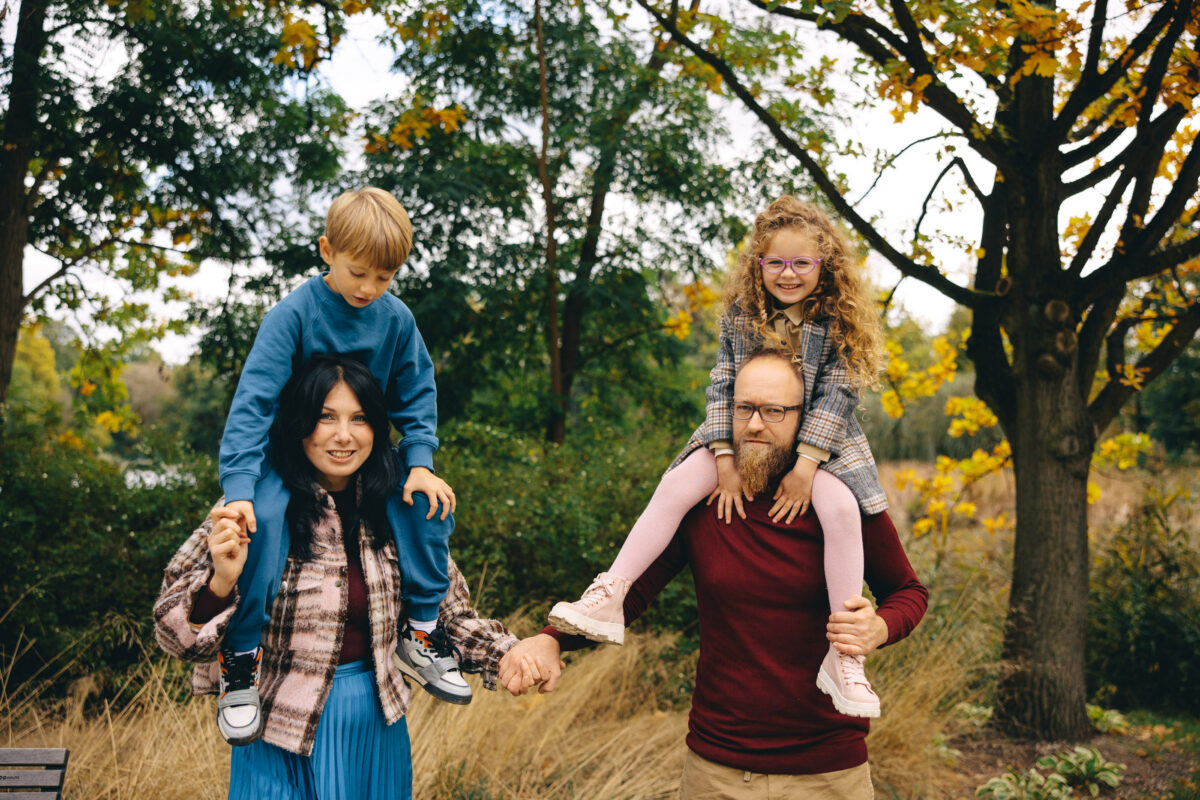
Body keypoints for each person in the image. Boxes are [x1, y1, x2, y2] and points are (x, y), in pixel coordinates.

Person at [514, 353, 928, 798]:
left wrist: (879, 627)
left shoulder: (840, 506)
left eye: (774, 412)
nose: (755, 425)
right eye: (744, 408)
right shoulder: (706, 503)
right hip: (717, 771)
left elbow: (908, 591)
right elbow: (632, 592)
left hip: (828, 771)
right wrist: (552, 638)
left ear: (805, 420)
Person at [550, 195, 889, 716]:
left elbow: (837, 396)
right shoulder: (742, 315)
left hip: (825, 441)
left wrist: (804, 470)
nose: (788, 273)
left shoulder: (834, 319)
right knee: (678, 484)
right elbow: (723, 384)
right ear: (759, 265)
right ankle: (610, 594)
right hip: (743, 427)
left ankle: (843, 658)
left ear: (825, 266)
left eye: (803, 262)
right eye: (775, 262)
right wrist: (725, 463)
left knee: (843, 510)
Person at [154, 355, 551, 800]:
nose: (343, 435)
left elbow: (451, 615)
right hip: (279, 733)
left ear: (377, 429)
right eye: (326, 417)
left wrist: (507, 654)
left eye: (359, 418)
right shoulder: (250, 506)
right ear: (300, 422)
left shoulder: (401, 508)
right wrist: (219, 585)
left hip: (376, 729)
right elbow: (174, 637)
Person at [213, 187, 468, 746]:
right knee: (266, 522)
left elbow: (417, 392)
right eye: (358, 273)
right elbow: (252, 403)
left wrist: (420, 461)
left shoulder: (396, 320)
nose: (369, 289)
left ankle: (422, 630)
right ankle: (241, 657)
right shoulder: (293, 315)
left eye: (385, 277)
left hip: (370, 457)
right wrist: (238, 488)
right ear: (327, 250)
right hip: (292, 460)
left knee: (426, 500)